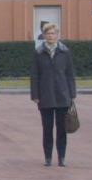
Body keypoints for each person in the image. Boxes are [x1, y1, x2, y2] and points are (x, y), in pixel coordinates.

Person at [29, 22, 76, 167]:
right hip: (45, 96)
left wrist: (72, 94)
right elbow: (34, 75)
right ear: (44, 35)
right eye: (48, 33)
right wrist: (35, 95)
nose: (50, 36)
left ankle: (61, 157)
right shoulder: (38, 53)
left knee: (62, 129)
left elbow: (70, 74)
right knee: (47, 129)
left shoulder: (65, 52)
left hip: (62, 95)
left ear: (57, 35)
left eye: (53, 33)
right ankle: (48, 157)